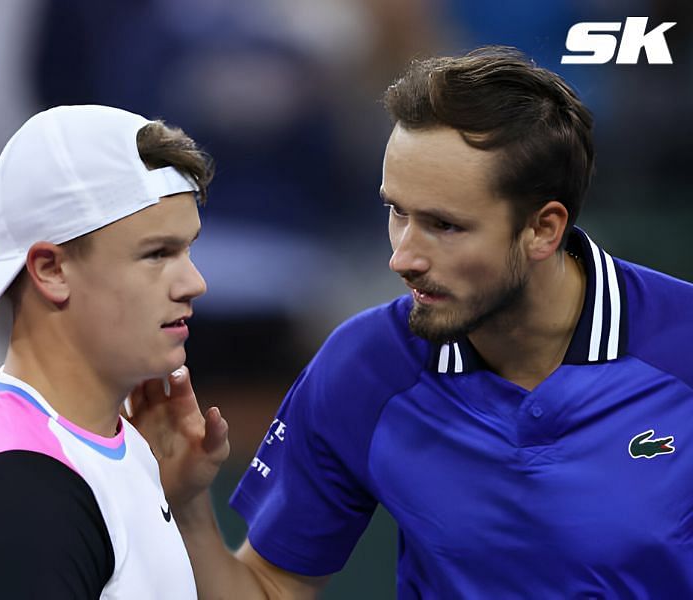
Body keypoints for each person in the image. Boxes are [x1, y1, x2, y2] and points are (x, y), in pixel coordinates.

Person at [131, 45, 693, 598]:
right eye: (396, 211)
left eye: (445, 225)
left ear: (544, 229)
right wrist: (184, 506)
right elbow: (270, 588)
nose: (403, 257)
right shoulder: (365, 365)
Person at [0, 104, 214, 598]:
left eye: (188, 249)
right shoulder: (10, 491)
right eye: (157, 254)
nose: (194, 283)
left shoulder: (117, 450)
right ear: (51, 269)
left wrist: (183, 502)